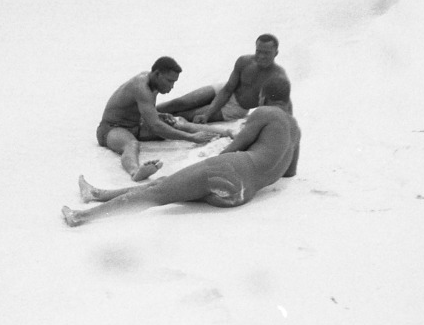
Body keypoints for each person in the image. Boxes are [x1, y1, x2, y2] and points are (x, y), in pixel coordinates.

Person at [64, 76, 299, 227]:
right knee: (167, 184)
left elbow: (236, 146)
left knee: (157, 193)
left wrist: (214, 158)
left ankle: (82, 217)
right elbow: (289, 172)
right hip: (240, 194)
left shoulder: (265, 113)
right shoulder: (296, 130)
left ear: (263, 96)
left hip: (231, 169)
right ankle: (97, 194)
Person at [97, 56, 231, 181]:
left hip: (136, 125)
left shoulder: (153, 84)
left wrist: (158, 114)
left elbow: (144, 110)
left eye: (174, 82)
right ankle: (135, 172)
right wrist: (191, 138)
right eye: (169, 81)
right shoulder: (141, 87)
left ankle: (226, 132)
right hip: (111, 129)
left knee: (177, 122)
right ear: (157, 74)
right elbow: (156, 127)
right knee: (131, 144)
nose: (171, 86)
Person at [157, 33, 292, 125]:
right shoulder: (244, 61)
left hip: (237, 108)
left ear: (276, 53)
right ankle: (146, 111)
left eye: (266, 53)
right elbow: (228, 89)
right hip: (225, 89)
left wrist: (206, 115)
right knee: (180, 102)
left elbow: (284, 107)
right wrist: (209, 113)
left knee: (185, 115)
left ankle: (152, 122)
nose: (261, 56)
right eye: (258, 51)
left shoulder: (278, 77)